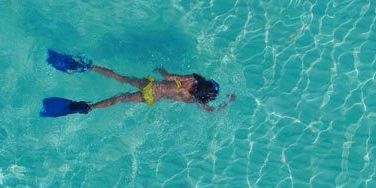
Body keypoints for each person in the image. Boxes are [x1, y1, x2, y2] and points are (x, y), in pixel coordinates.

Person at [39, 49, 236, 117]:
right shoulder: (192, 99)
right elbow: (213, 111)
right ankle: (88, 107)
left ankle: (86, 66)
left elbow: (168, 76)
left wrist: (161, 70)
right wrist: (228, 102)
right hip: (152, 97)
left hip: (152, 86)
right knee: (119, 99)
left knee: (119, 77)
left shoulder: (190, 79)